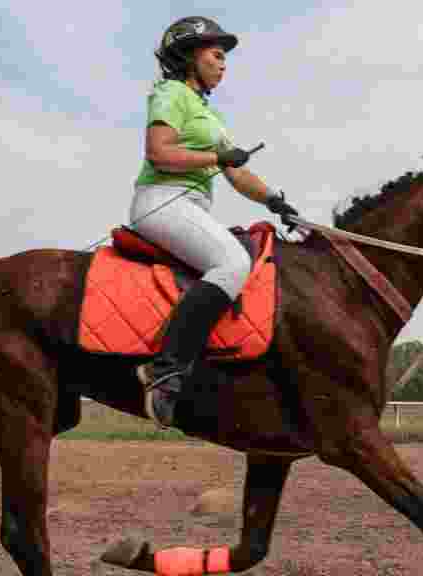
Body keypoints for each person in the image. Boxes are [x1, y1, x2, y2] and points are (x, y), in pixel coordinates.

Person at [130, 16, 299, 428]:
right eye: (217, 55)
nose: (224, 65)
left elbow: (238, 174)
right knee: (232, 264)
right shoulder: (170, 93)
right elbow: (159, 153)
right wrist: (218, 157)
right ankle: (164, 371)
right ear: (190, 57)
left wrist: (276, 201)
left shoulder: (209, 116)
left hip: (191, 205)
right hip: (162, 201)